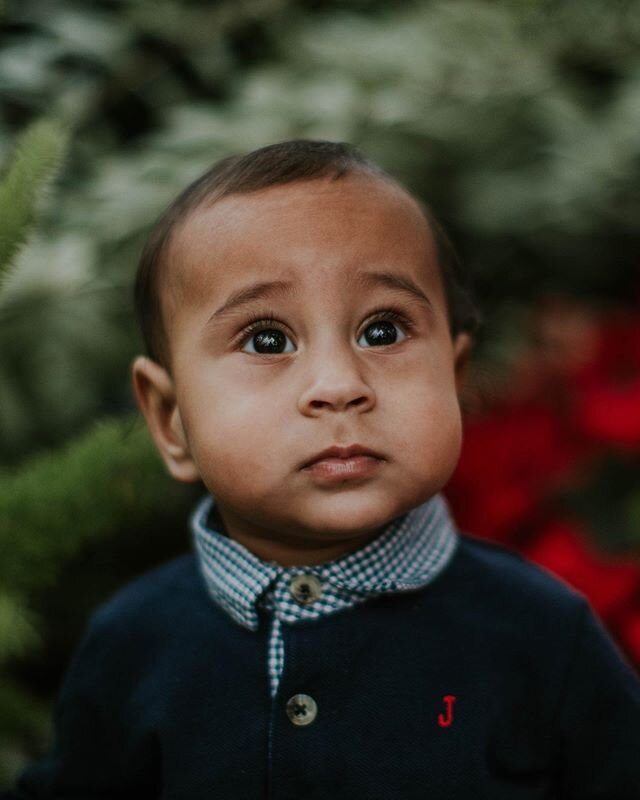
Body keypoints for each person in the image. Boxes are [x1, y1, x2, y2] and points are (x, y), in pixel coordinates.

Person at [6, 140, 640, 799]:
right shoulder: (133, 645)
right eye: (267, 340)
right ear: (171, 421)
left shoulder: (538, 635)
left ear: (454, 379)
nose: (339, 385)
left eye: (383, 329)